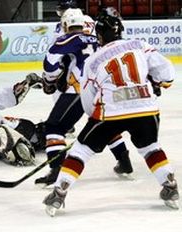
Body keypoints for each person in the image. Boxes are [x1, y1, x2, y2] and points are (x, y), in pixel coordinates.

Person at [43, 7, 179, 216]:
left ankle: (59, 193)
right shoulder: (140, 45)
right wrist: (161, 83)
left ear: (98, 35)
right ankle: (169, 187)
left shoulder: (94, 60)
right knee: (150, 147)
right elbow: (167, 73)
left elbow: (88, 101)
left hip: (111, 111)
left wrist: (93, 121)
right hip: (146, 108)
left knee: (81, 150)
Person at [33, 5, 133, 187]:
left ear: (65, 24)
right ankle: (124, 161)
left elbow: (50, 65)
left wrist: (50, 80)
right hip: (102, 89)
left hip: (79, 90)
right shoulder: (98, 39)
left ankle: (57, 169)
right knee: (104, 125)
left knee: (54, 127)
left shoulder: (65, 40)